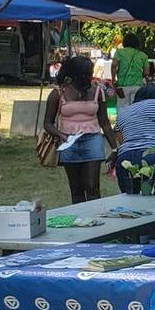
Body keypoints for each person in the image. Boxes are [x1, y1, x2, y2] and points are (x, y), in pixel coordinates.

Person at [45, 55, 118, 203]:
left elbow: (104, 123)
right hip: (68, 142)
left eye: (89, 74)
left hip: (93, 140)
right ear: (73, 75)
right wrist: (61, 135)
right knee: (76, 188)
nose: (89, 78)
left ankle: (95, 221)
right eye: (84, 75)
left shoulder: (98, 92)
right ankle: (80, 221)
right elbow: (47, 123)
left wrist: (115, 148)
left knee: (92, 187)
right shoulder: (57, 93)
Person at [112, 32, 149, 106]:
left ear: (124, 42)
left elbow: (114, 65)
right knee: (135, 109)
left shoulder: (119, 52)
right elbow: (146, 73)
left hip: (122, 86)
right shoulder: (143, 55)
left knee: (122, 109)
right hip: (137, 86)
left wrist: (113, 79)